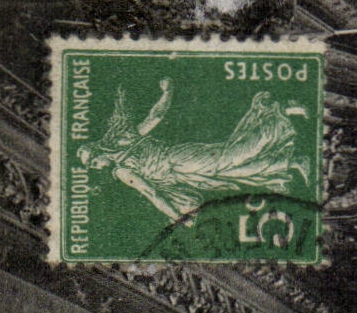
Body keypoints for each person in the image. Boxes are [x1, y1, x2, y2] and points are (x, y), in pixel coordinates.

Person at [77, 78, 311, 226]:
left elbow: (151, 193)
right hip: (184, 173)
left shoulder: (121, 169)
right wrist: (167, 92)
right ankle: (293, 162)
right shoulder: (127, 142)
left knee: (232, 158)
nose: (96, 168)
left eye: (93, 163)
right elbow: (155, 116)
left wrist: (177, 218)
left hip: (180, 161)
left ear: (99, 152)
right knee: (233, 171)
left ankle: (279, 113)